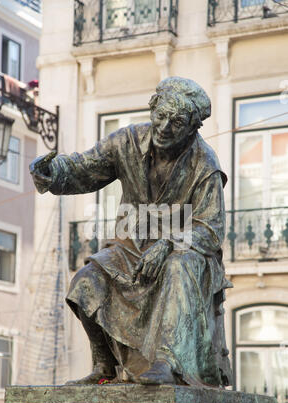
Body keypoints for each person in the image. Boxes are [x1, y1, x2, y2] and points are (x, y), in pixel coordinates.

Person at [30, 77, 232, 387]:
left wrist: (169, 244)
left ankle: (168, 362)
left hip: (185, 253)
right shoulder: (125, 142)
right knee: (87, 280)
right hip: (131, 245)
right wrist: (51, 171)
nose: (164, 127)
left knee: (179, 267)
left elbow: (211, 227)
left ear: (192, 127)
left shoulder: (205, 163)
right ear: (152, 109)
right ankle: (103, 365)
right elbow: (84, 168)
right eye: (160, 115)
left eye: (176, 122)